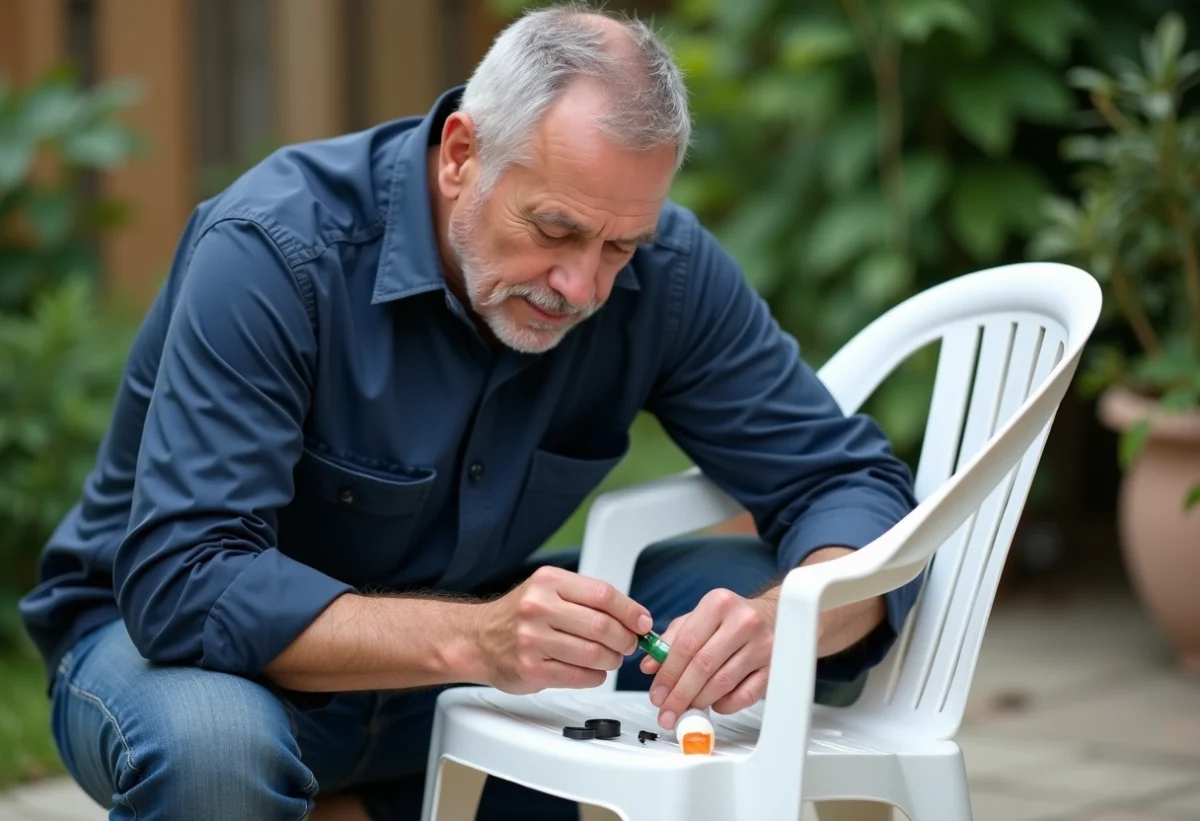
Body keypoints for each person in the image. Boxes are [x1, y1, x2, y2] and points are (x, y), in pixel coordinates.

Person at [18, 4, 923, 819]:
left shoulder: (666, 274)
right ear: (460, 154)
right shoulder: (275, 251)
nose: (583, 286)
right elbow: (188, 582)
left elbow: (848, 482)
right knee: (216, 756)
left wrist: (785, 620)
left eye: (620, 246)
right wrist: (477, 639)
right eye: (556, 230)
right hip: (187, 661)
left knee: (764, 588)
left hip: (447, 672)